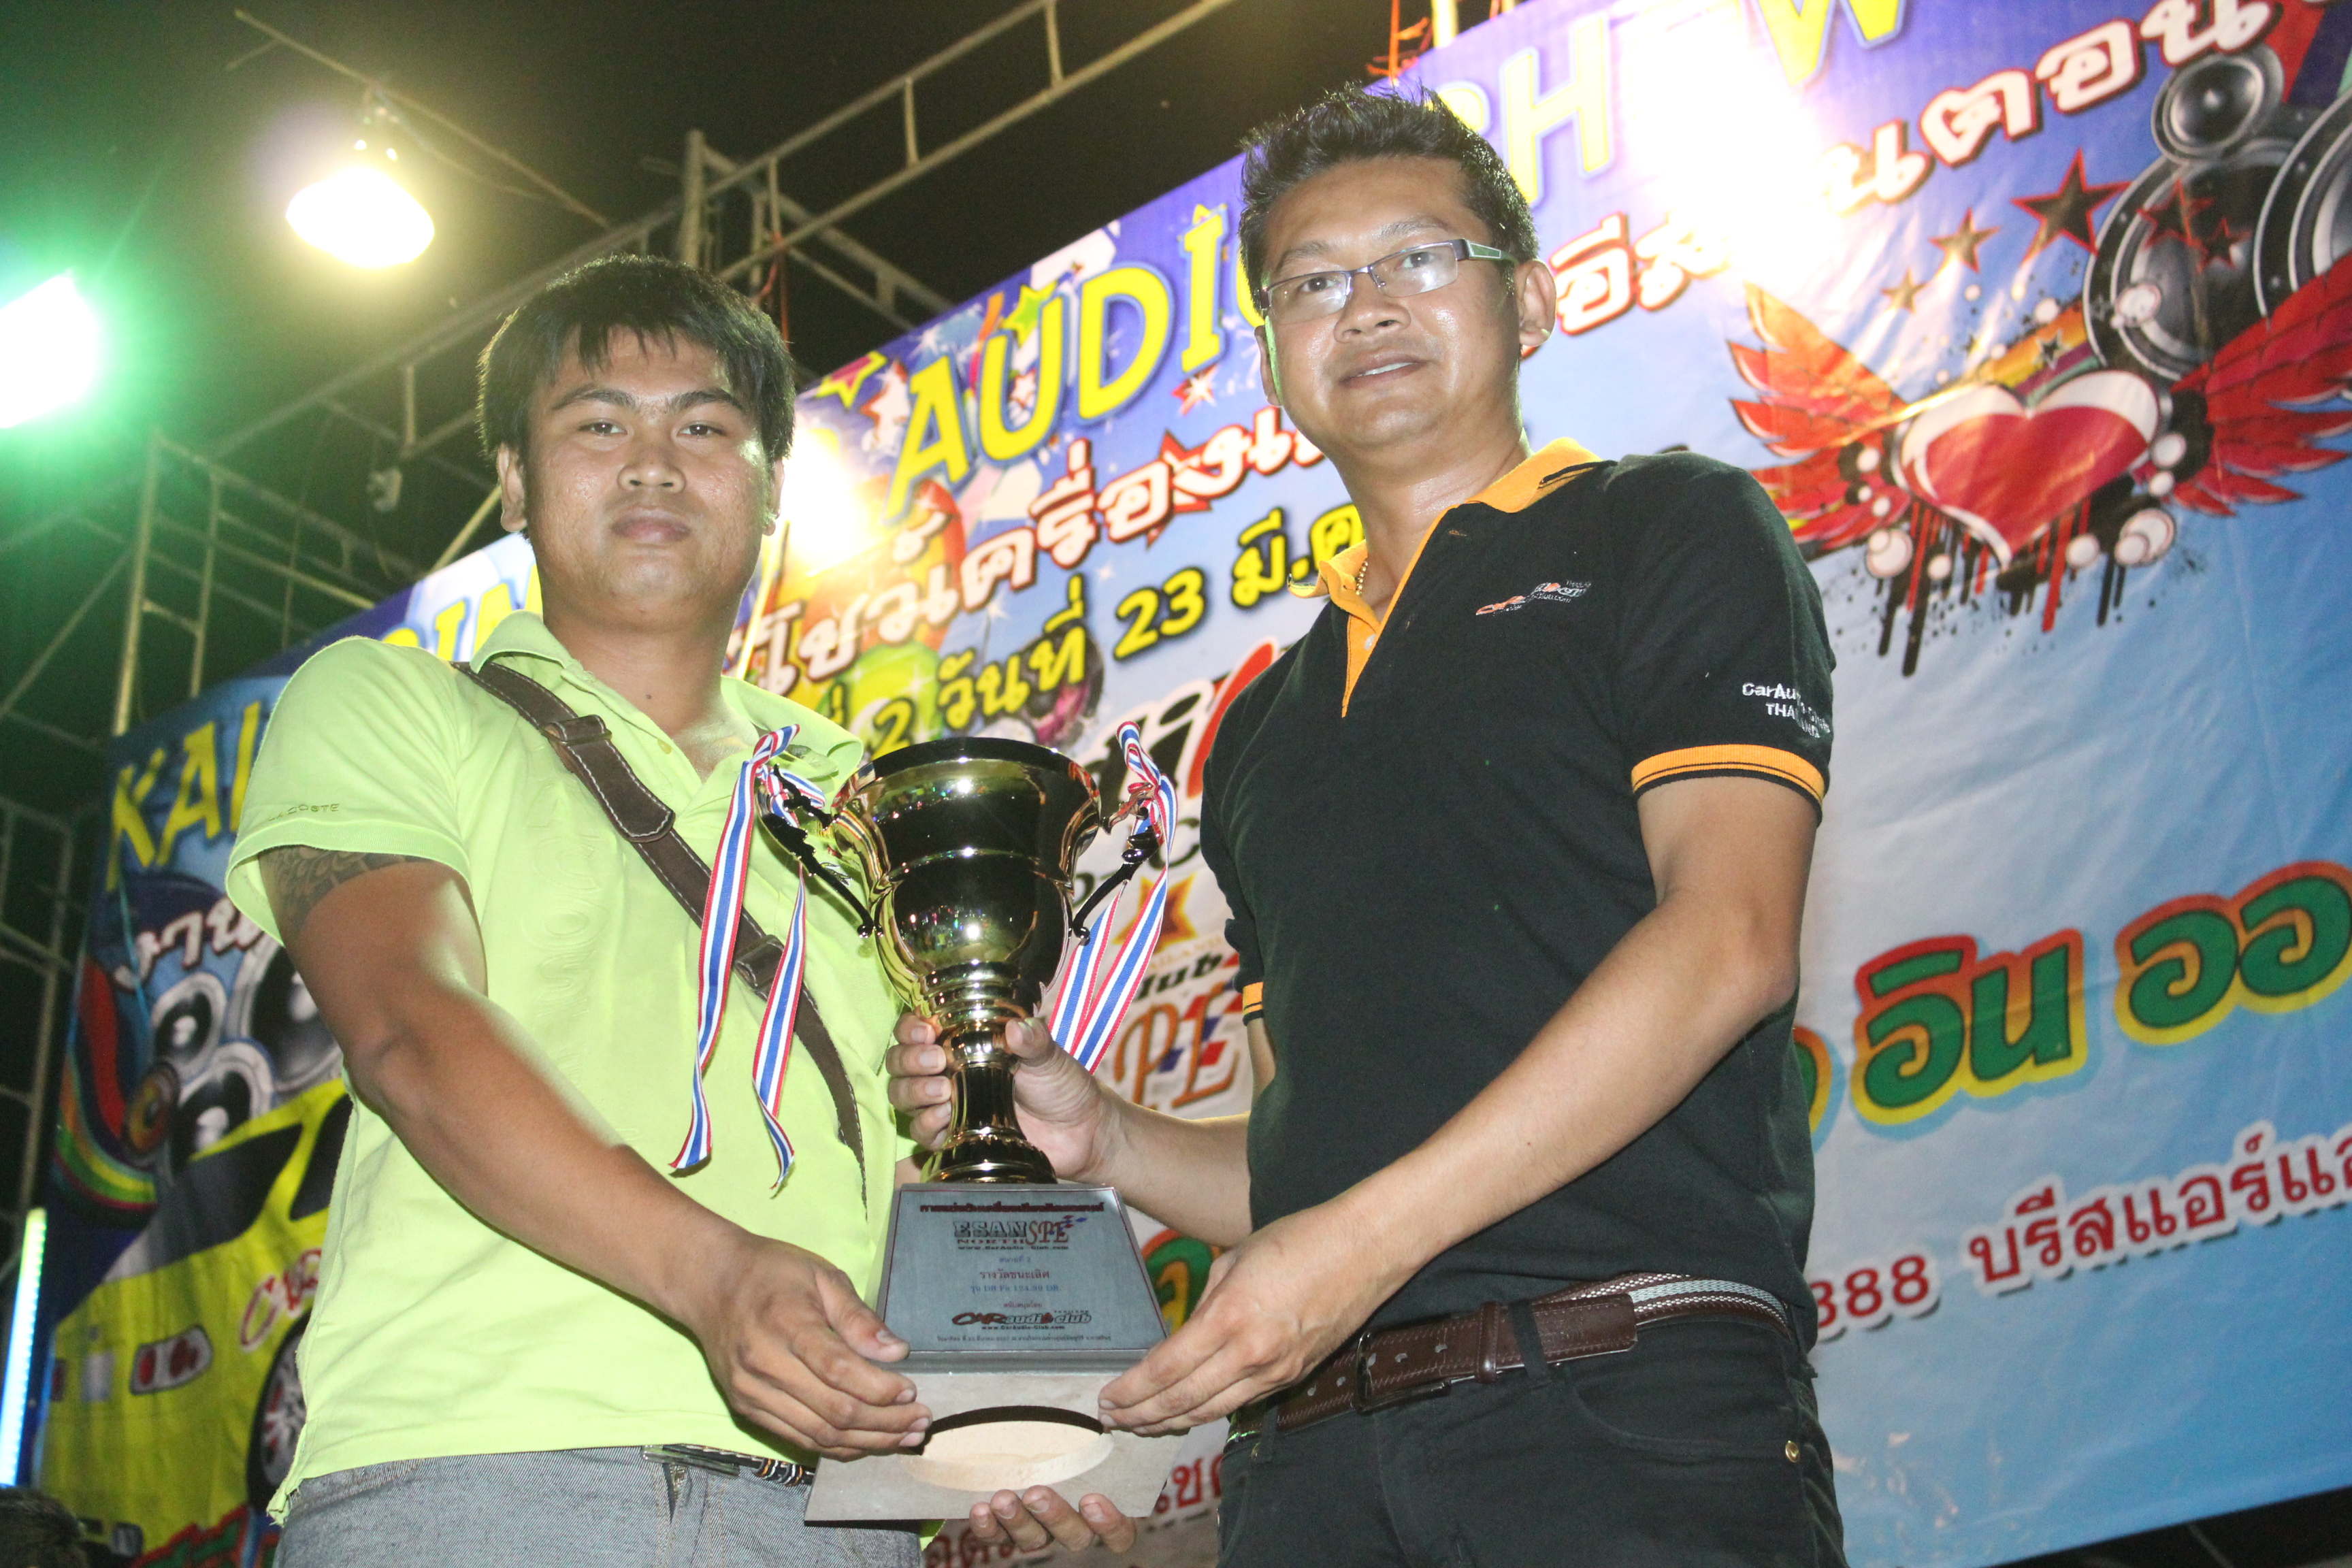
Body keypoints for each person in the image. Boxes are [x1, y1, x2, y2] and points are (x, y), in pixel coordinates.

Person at [891, 87, 1845, 1566]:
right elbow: (1298, 1165)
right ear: (1277, 359)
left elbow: (1729, 938)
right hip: (1311, 1465)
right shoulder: (1263, 728)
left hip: (1618, 1399)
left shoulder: (1666, 527)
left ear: (1530, 301)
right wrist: (1107, 1139)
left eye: (1421, 257)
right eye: (1315, 282)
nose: (1370, 305)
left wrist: (1357, 1244)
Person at [227, 255, 1132, 1565]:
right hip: (487, 1475)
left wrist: (989, 1437)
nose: (653, 465)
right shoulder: (393, 702)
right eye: (599, 425)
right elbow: (408, 1031)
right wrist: (711, 1273)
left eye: (705, 428)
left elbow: (921, 1152)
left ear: (770, 489)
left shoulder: (854, 796)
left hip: (838, 1514)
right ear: (515, 481)